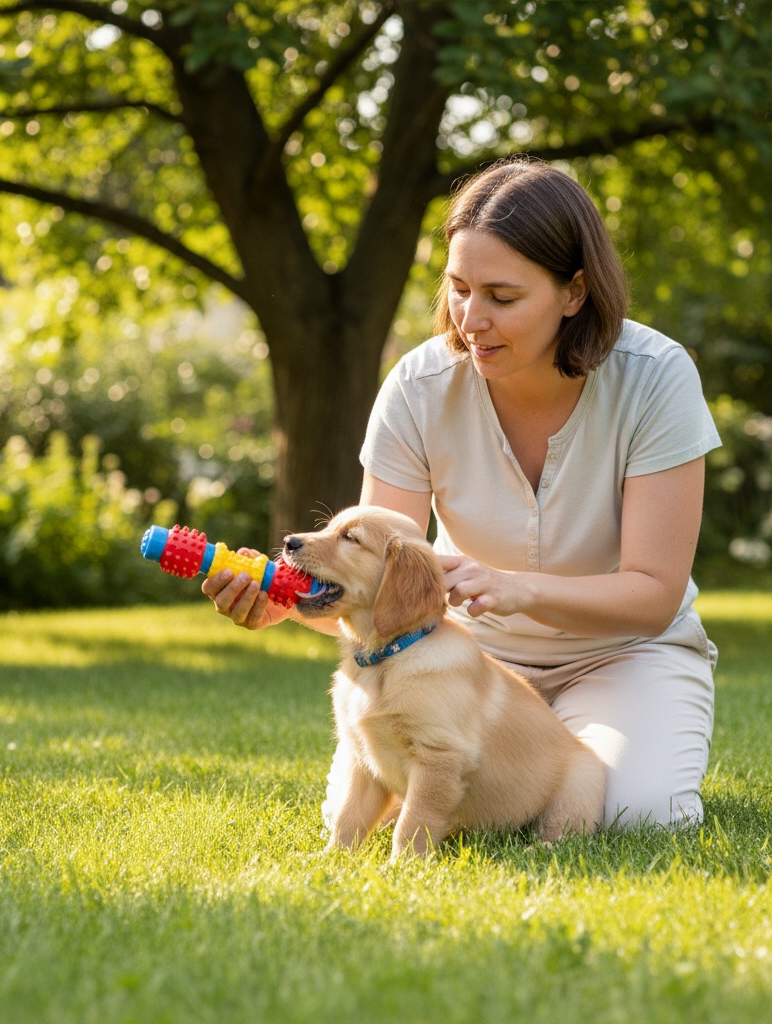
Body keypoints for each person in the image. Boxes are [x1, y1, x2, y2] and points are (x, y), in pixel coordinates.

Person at [204, 156, 720, 831]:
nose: (471, 318)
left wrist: (518, 588)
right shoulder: (418, 388)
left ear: (574, 293)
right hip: (466, 660)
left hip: (625, 653)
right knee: (368, 811)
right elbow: (374, 578)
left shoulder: (656, 379)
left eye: (502, 297)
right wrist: (290, 599)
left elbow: (653, 597)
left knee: (636, 813)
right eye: (458, 289)